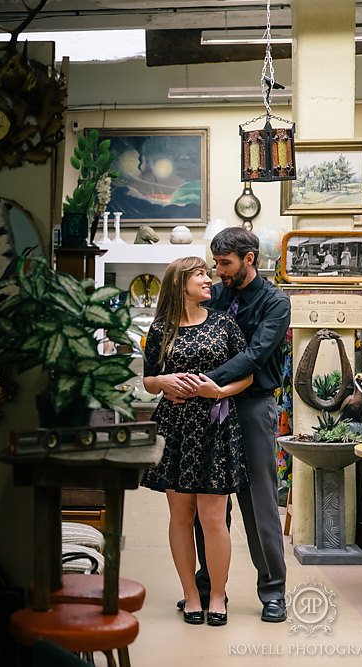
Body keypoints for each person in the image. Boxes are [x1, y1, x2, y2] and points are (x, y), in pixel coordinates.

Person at [157, 227, 292, 623]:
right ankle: (209, 588)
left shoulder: (274, 303)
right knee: (207, 502)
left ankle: (272, 591)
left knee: (258, 499)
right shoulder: (214, 293)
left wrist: (202, 382)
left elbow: (254, 355)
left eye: (225, 264)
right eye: (214, 264)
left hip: (250, 406)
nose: (218, 272)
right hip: (202, 409)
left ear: (249, 258)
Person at [141, 256, 252, 627]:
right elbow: (148, 379)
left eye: (208, 273)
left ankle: (217, 595)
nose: (209, 280)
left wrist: (217, 390)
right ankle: (191, 594)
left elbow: (247, 375)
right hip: (175, 427)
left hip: (214, 426)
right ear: (180, 283)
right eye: (201, 275)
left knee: (213, 517)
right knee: (181, 514)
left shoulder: (224, 323)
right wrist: (164, 382)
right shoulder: (161, 328)